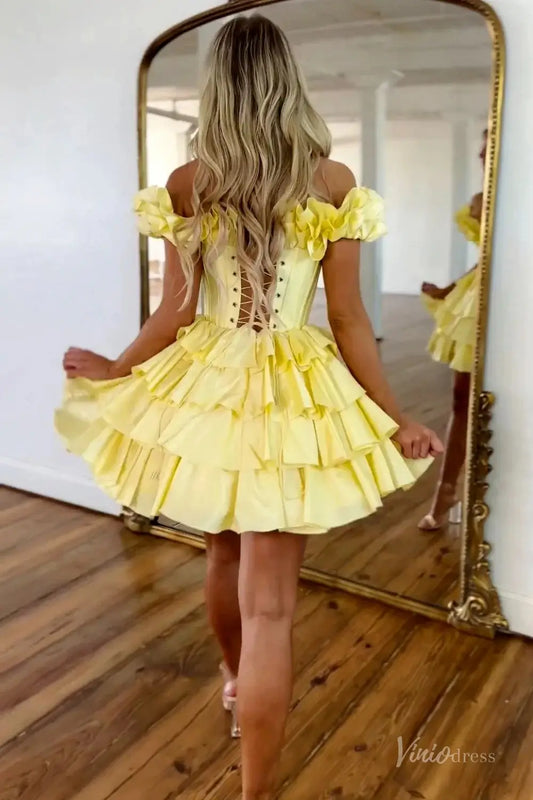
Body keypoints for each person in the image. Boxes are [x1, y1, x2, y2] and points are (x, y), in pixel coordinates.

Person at [55, 14, 443, 799]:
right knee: (271, 610)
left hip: (207, 384)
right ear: (286, 81)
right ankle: (256, 788)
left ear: (216, 89)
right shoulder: (331, 181)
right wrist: (395, 414)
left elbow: (174, 313)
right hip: (294, 387)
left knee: (222, 556)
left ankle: (234, 681)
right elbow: (347, 319)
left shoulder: (187, 182)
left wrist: (119, 369)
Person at [418, 129, 487, 531]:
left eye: (489, 148)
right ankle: (446, 492)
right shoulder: (480, 201)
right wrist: (448, 289)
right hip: (478, 299)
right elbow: (486, 258)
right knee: (463, 399)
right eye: (481, 150)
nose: (481, 156)